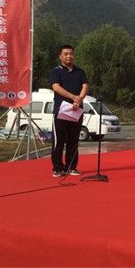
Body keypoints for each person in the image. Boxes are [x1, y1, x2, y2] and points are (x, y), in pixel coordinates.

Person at [49, 45, 89, 177]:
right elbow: (56, 87)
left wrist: (79, 100)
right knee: (59, 141)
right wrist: (73, 97)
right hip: (61, 111)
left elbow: (85, 86)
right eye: (65, 54)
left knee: (73, 141)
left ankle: (71, 167)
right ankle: (57, 168)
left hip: (76, 110)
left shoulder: (80, 72)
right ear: (60, 56)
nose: (68, 56)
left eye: (71, 54)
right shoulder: (56, 71)